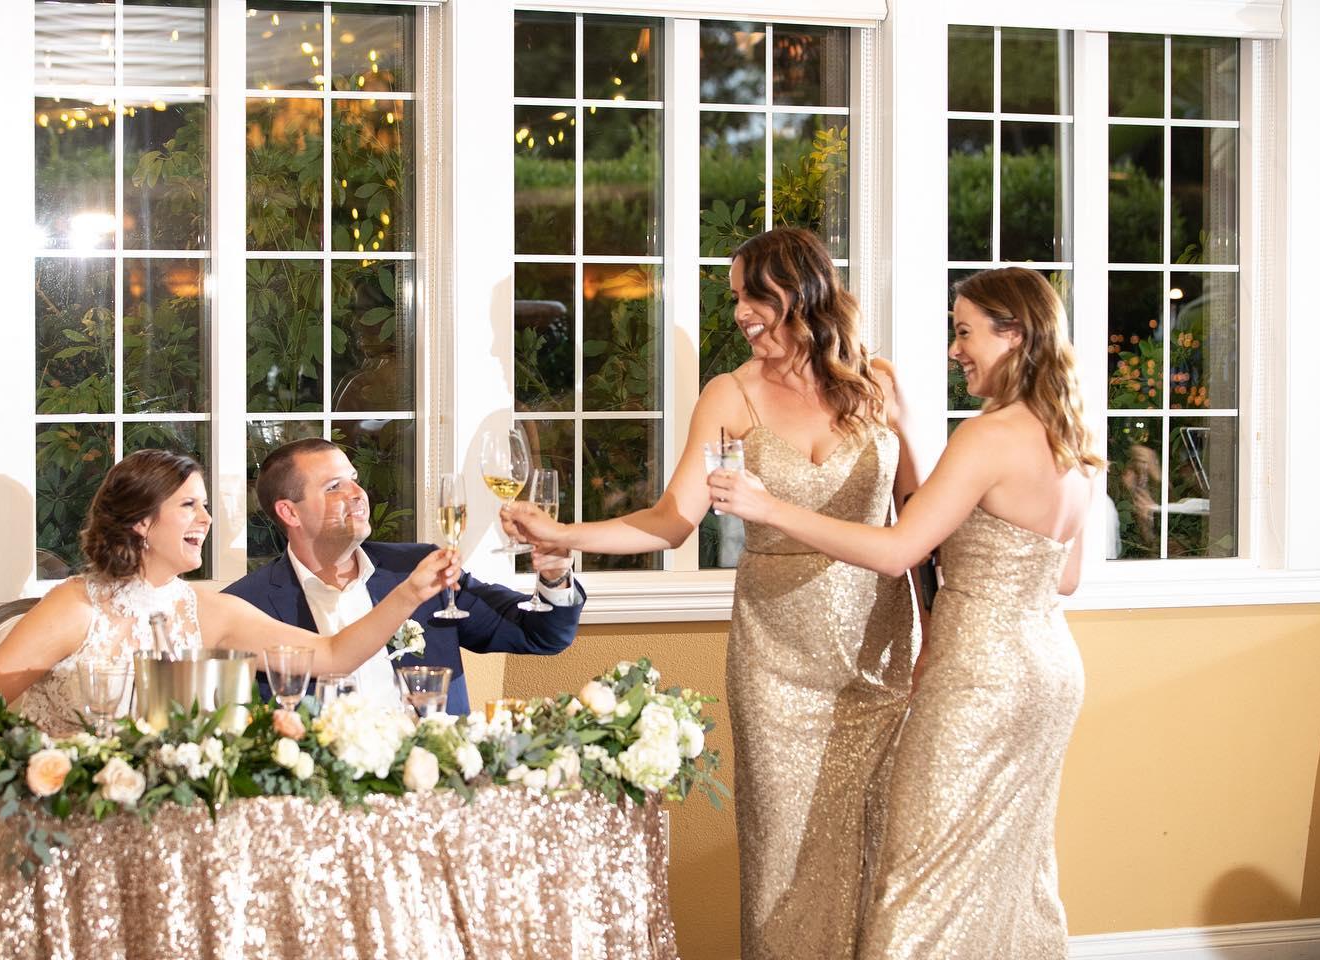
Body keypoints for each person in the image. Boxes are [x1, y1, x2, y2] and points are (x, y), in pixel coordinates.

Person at [503, 227, 921, 959]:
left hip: (880, 650)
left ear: (802, 291)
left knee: (885, 846)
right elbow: (671, 521)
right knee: (783, 852)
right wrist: (564, 533)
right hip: (777, 660)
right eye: (734, 298)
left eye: (753, 295)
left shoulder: (878, 384)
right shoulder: (730, 394)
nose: (739, 313)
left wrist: (939, 634)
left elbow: (923, 517)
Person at [709, 266, 1100, 959]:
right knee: (1009, 875)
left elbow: (897, 552)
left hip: (979, 678)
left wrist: (771, 508)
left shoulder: (988, 436)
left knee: (922, 882)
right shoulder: (1074, 436)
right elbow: (1064, 577)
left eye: (966, 332)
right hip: (1051, 674)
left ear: (1013, 333)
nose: (956, 349)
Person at [0, 449, 458, 736]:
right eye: (188, 505)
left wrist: (409, 594)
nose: (205, 520)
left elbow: (333, 655)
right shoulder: (76, 607)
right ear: (141, 522)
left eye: (204, 505)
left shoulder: (210, 611)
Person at [224, 438, 584, 714]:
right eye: (334, 487)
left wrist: (555, 574)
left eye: (354, 480)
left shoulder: (417, 568)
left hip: (434, 774)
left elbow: (541, 635)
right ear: (290, 512)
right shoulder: (246, 606)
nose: (358, 494)